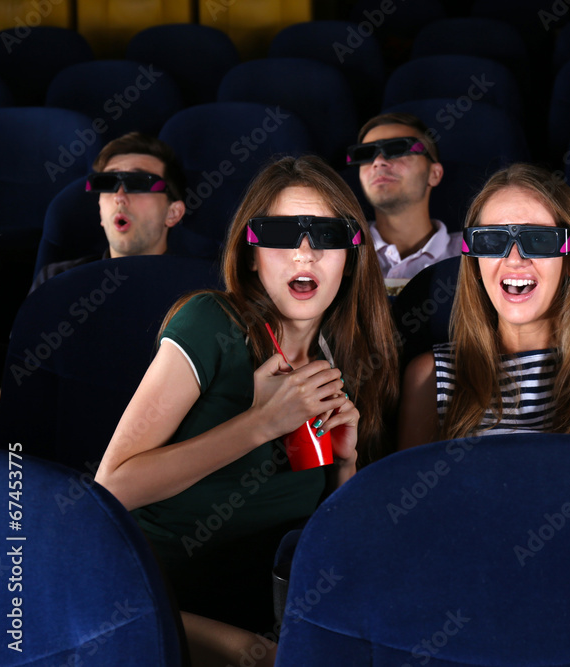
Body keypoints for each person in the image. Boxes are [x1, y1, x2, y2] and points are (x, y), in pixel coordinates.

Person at [94, 155, 400, 664]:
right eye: (282, 234)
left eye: (325, 236)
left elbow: (331, 541)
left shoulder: (343, 359)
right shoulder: (210, 324)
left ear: (350, 255)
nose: (305, 254)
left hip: (269, 598)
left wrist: (346, 465)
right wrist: (259, 424)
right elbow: (112, 485)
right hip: (155, 594)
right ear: (253, 253)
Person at [398, 163, 570, 448]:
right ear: (475, 263)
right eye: (492, 240)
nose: (514, 259)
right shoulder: (429, 377)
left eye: (539, 239)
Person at [30, 132, 187, 292]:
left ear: (173, 213)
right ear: (100, 212)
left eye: (138, 183)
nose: (119, 197)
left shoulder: (199, 289)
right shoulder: (56, 281)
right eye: (107, 183)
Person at [348, 112, 460, 290]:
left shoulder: (472, 257)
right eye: (366, 154)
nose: (378, 162)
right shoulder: (341, 253)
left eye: (397, 149)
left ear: (434, 174)